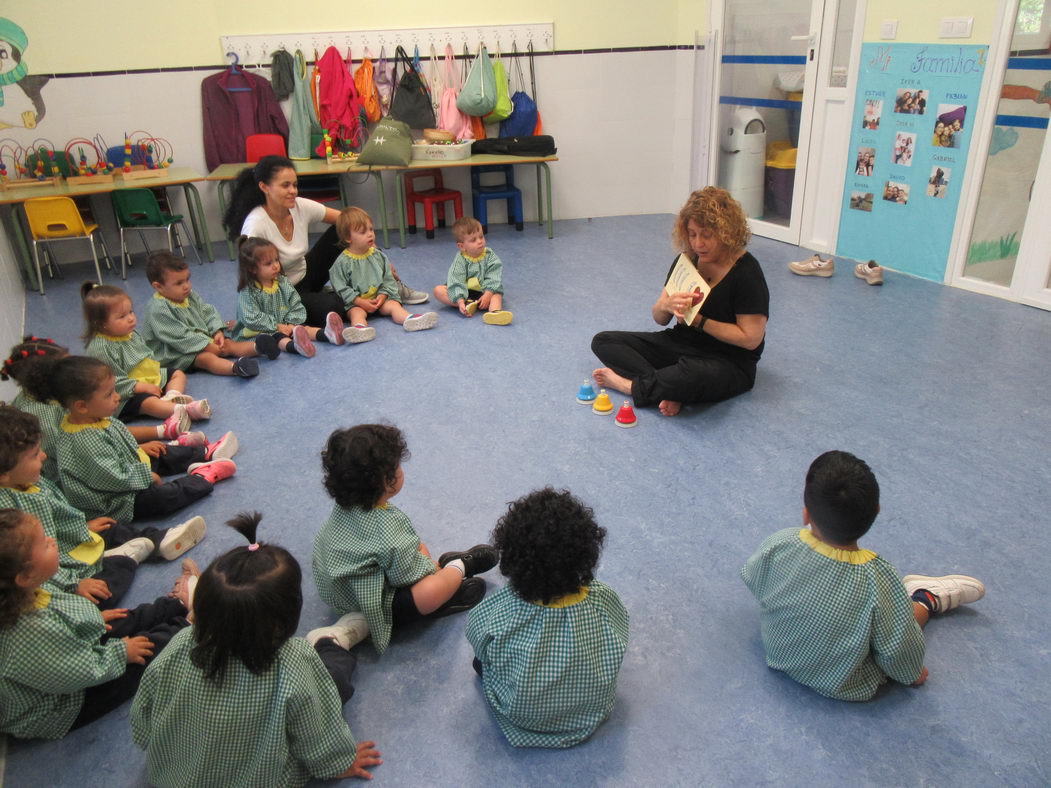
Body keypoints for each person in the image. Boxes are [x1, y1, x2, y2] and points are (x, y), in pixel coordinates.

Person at [132, 512, 382, 786]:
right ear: (286, 617)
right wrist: (338, 762)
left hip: (170, 778)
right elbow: (315, 731)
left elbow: (144, 713)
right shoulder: (293, 661)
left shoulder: (182, 642)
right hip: (261, 779)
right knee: (330, 680)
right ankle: (330, 642)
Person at [740, 450, 986, 701]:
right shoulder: (878, 578)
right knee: (901, 616)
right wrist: (911, 673)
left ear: (806, 514)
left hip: (780, 653)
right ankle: (925, 597)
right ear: (877, 511)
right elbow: (896, 645)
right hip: (845, 681)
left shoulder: (779, 544)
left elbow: (754, 579)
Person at [0, 508, 191, 739]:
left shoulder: (22, 591)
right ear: (24, 576)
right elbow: (78, 672)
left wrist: (91, 619)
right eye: (43, 543)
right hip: (62, 703)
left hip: (71, 653)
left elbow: (60, 615)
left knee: (121, 619)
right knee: (142, 654)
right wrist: (122, 653)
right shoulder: (30, 631)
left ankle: (178, 603)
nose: (52, 540)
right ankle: (186, 623)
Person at [312, 423, 497, 654]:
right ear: (388, 481)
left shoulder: (345, 505)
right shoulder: (386, 531)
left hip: (343, 591)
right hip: (373, 607)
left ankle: (446, 572)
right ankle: (459, 567)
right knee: (428, 586)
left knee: (416, 547)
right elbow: (404, 576)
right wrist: (429, 567)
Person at [466, 488, 629, 748]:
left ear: (512, 560)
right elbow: (620, 634)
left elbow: (477, 638)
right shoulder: (604, 599)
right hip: (589, 712)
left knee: (480, 662)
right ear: (586, 555)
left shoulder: (502, 611)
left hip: (522, 717)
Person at [0, 407, 203, 610]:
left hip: (71, 542)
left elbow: (58, 515)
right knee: (100, 595)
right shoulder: (10, 516)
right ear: (5, 475)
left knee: (113, 529)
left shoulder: (28, 480)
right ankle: (127, 559)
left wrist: (83, 526)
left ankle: (159, 539)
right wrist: (74, 584)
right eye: (35, 455)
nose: (44, 456)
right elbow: (31, 568)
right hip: (57, 568)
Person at [591, 187, 769, 417]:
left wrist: (700, 321)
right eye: (692, 234)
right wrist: (665, 306)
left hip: (729, 360)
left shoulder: (747, 272)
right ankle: (670, 389)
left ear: (726, 232)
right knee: (604, 341)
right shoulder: (688, 260)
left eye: (706, 235)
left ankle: (631, 386)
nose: (698, 244)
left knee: (691, 374)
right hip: (681, 343)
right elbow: (659, 318)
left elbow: (750, 340)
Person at [222, 155, 428, 328]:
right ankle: (343, 297)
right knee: (336, 307)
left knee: (343, 231)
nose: (293, 191)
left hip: (307, 273)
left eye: (294, 184)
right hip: (284, 291)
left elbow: (348, 221)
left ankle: (387, 285)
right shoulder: (256, 224)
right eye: (285, 185)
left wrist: (379, 259)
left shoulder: (298, 205)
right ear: (264, 187)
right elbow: (250, 278)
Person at [38, 356, 235, 524]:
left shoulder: (93, 416)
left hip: (128, 468)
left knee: (161, 452)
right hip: (115, 500)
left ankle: (204, 453)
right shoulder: (81, 440)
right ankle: (201, 477)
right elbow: (112, 477)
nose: (117, 398)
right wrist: (147, 477)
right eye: (109, 394)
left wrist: (140, 448)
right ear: (81, 406)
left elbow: (117, 443)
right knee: (163, 498)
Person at [81, 283, 211, 427]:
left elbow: (145, 356)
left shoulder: (129, 333)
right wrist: (139, 387)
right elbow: (109, 383)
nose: (131, 318)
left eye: (131, 312)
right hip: (124, 394)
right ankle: (183, 410)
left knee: (177, 374)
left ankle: (173, 396)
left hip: (146, 377)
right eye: (122, 316)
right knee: (148, 403)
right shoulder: (101, 348)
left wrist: (153, 378)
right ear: (100, 323)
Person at [140, 251, 270, 378]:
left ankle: (260, 347)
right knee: (206, 358)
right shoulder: (158, 309)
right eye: (179, 283)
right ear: (158, 287)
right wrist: (207, 345)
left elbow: (207, 311)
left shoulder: (188, 295)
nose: (187, 286)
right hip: (174, 354)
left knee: (228, 344)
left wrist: (216, 331)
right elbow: (180, 337)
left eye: (187, 279)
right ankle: (236, 368)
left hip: (201, 340)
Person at [329, 207, 438, 343]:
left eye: (371, 229)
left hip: (380, 299)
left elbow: (388, 279)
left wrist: (383, 295)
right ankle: (360, 329)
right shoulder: (342, 263)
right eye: (363, 232)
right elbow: (340, 287)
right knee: (356, 313)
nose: (370, 234)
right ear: (348, 238)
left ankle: (410, 319)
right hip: (356, 302)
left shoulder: (379, 256)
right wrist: (359, 301)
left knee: (394, 306)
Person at [232, 236, 346, 359]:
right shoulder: (249, 291)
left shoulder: (281, 281)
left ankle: (327, 334)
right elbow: (251, 318)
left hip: (284, 323)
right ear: (252, 268)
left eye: (276, 260)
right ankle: (295, 347)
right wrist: (277, 326)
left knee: (302, 328)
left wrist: (292, 322)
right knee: (278, 337)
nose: (276, 266)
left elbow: (295, 302)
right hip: (261, 330)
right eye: (268, 263)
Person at [433, 217, 513, 325]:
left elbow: (494, 275)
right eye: (473, 240)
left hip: (485, 290)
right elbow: (456, 279)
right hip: (465, 292)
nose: (480, 241)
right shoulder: (460, 260)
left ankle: (495, 312)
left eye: (481, 236)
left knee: (497, 295)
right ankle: (466, 305)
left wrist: (488, 293)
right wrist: (460, 300)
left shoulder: (490, 255)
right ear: (462, 246)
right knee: (438, 291)